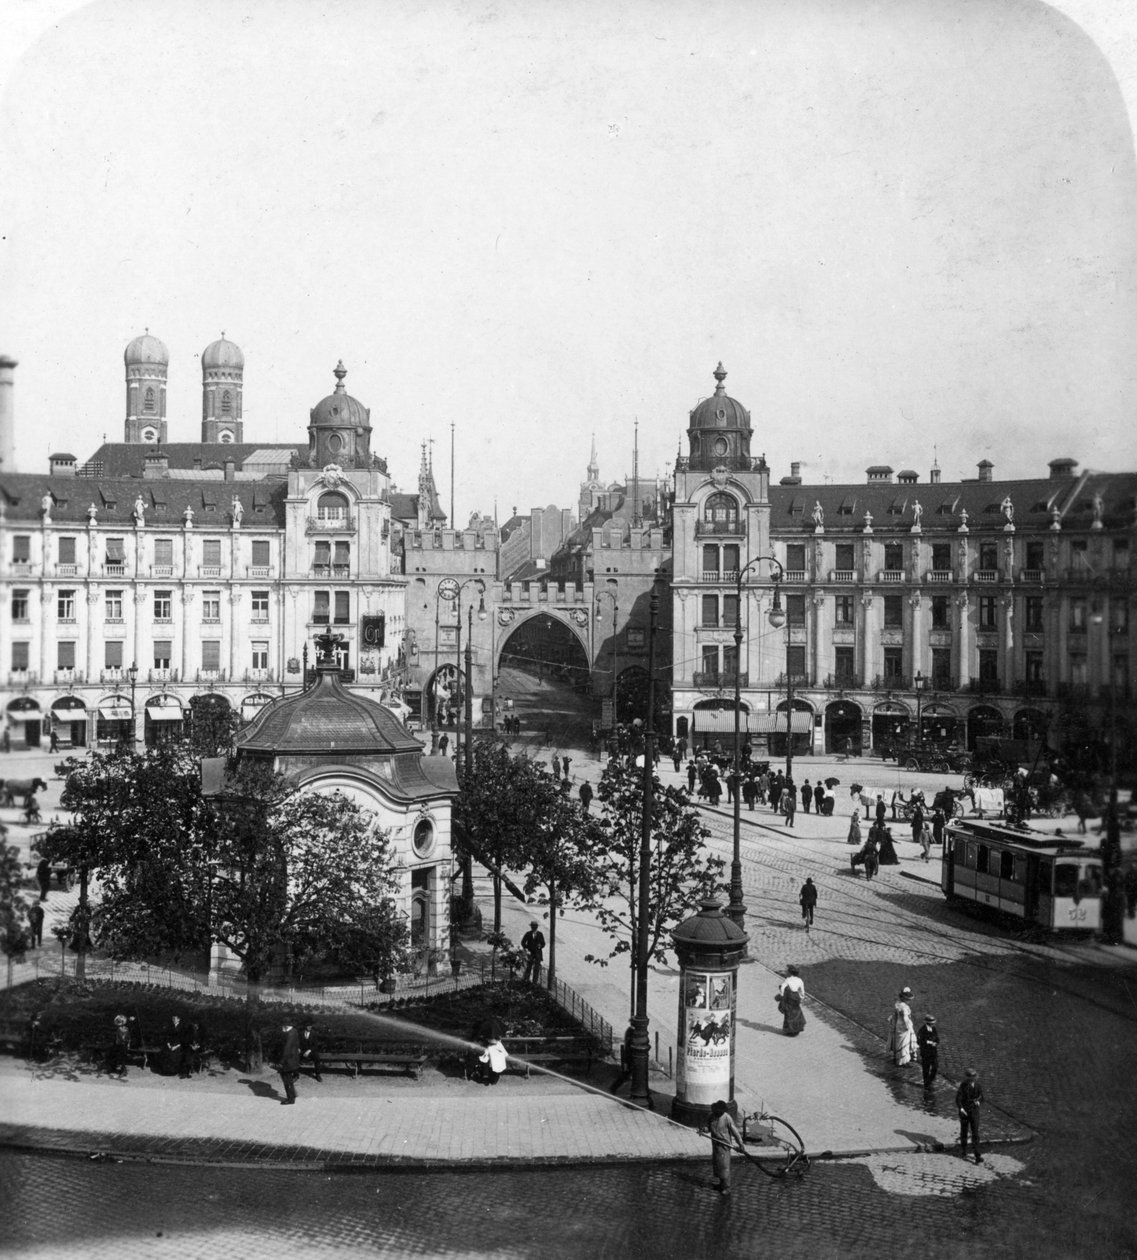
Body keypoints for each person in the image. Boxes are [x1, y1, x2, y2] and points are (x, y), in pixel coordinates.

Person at [703, 1099, 745, 1195]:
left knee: (724, 1166)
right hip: (715, 1144)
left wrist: (740, 1144)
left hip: (724, 1146)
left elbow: (735, 1133)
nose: (716, 1114)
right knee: (718, 1165)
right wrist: (703, 1130)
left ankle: (727, 1187)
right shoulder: (711, 1116)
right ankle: (721, 1184)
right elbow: (708, 1128)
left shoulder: (727, 1118)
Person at [956, 1067, 985, 1163]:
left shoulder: (978, 1086)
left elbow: (982, 1097)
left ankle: (977, 1155)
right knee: (964, 1131)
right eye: (970, 1078)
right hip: (965, 1111)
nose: (972, 1079)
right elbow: (958, 1099)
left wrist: (979, 1102)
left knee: (975, 1133)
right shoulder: (963, 1086)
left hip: (974, 1111)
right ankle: (963, 1150)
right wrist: (961, 1109)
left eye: (974, 1077)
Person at [887, 986, 917, 1067]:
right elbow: (905, 1018)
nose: (909, 1001)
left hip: (898, 1025)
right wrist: (909, 1026)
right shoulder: (904, 1007)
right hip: (903, 1027)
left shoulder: (898, 1004)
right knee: (904, 1044)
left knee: (898, 1043)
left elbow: (895, 1014)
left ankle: (898, 1059)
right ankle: (902, 1062)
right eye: (908, 1000)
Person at [778, 965, 806, 1036]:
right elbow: (802, 991)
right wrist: (801, 997)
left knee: (789, 1013)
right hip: (796, 996)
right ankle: (796, 1028)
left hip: (790, 997)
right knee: (797, 1012)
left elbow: (782, 988)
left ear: (790, 973)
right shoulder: (800, 980)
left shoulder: (788, 980)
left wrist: (782, 995)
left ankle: (790, 1030)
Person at [277, 1020, 300, 1104]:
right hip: (292, 1059)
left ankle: (291, 1099)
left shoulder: (290, 1033)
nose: (282, 1027)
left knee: (287, 1080)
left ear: (286, 1025)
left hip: (288, 1060)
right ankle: (293, 1094)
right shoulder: (294, 1031)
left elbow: (287, 1048)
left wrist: (281, 1061)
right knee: (288, 1079)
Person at [916, 1014, 939, 1092]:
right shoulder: (922, 1030)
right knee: (926, 1069)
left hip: (933, 1052)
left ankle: (931, 1080)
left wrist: (936, 1042)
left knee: (935, 1067)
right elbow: (920, 1041)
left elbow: (937, 1038)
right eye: (931, 1023)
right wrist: (930, 1042)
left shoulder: (934, 1029)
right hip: (925, 1053)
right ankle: (927, 1084)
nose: (932, 1024)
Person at [108, 1014, 131, 1079]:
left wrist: (121, 1041)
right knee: (121, 1058)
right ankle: (122, 1071)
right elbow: (128, 1038)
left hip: (121, 1045)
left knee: (121, 1059)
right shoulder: (125, 1028)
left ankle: (123, 1072)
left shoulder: (120, 1029)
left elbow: (122, 1038)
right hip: (123, 1045)